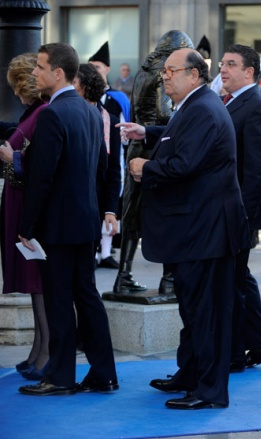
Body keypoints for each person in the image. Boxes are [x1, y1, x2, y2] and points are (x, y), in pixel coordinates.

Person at [120, 48, 249, 410]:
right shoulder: (197, 105)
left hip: (205, 231)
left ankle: (208, 391)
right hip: (196, 230)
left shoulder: (204, 109)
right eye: (163, 72)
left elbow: (183, 163)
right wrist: (148, 133)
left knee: (206, 313)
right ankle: (190, 374)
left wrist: (145, 168)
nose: (164, 76)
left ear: (194, 75)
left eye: (171, 71)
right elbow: (178, 139)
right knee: (193, 310)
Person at [18, 42, 118, 396]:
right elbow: (100, 171)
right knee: (87, 297)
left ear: (58, 73)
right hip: (84, 223)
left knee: (59, 300)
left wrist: (26, 227)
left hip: (57, 227)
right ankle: (104, 373)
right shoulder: (91, 112)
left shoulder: (52, 114)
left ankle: (60, 377)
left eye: (40, 67)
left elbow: (41, 177)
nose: (34, 73)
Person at [113, 30, 194, 295]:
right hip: (157, 146)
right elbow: (163, 112)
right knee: (164, 211)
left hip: (138, 143)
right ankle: (169, 278)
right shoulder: (164, 72)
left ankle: (123, 275)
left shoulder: (143, 71)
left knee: (131, 212)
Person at [219, 44, 261, 372]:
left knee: (231, 283)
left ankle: (233, 355)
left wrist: (241, 216)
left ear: (249, 72)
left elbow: (256, 170)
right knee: (239, 278)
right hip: (226, 211)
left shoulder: (258, 106)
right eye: (221, 63)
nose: (222, 69)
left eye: (231, 64)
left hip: (238, 213)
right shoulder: (227, 103)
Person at [0, 53, 49, 380]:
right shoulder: (33, 111)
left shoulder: (43, 112)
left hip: (30, 207)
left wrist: (11, 158)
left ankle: (45, 354)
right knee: (34, 285)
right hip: (20, 202)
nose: (16, 92)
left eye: (19, 85)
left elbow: (36, 165)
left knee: (38, 282)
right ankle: (39, 350)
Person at [74, 63, 122, 270]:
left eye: (73, 82)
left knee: (84, 274)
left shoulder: (108, 120)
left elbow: (113, 170)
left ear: (84, 86)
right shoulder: (68, 114)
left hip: (95, 201)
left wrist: (111, 210)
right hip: (70, 201)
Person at [88, 41, 130, 269]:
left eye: (99, 66)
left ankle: (106, 251)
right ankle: (95, 251)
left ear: (107, 69)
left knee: (111, 201)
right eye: (91, 66)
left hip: (114, 158)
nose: (95, 69)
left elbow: (124, 129)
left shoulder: (117, 99)